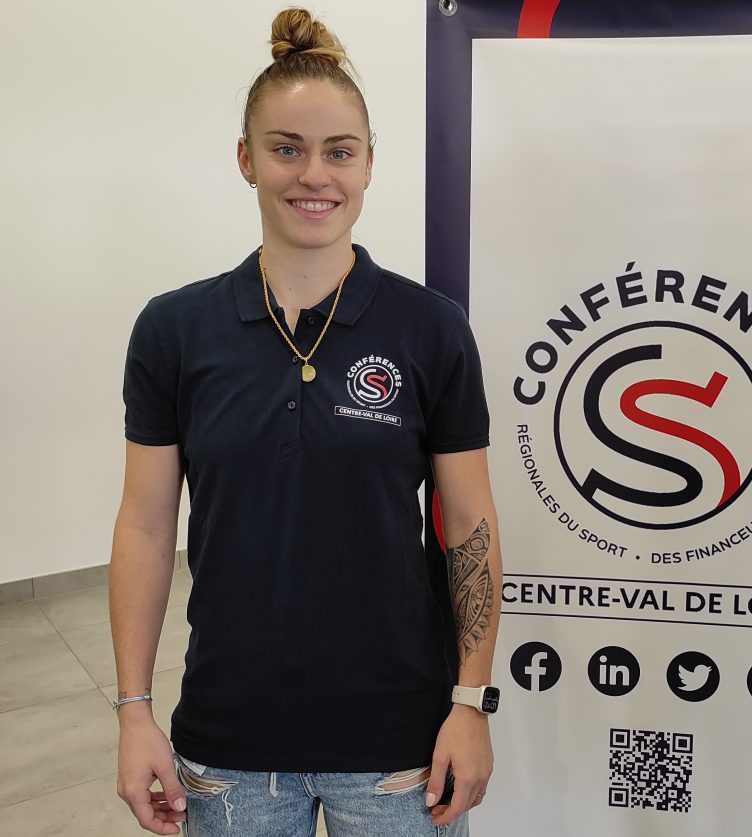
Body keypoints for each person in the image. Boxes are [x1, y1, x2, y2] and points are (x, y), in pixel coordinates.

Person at [109, 9, 502, 836]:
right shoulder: (174, 330)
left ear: (367, 166)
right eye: (285, 147)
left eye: (339, 151)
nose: (312, 174)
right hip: (230, 747)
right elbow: (146, 526)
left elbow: (467, 520)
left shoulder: (431, 329)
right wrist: (134, 710)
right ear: (247, 159)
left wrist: (469, 701)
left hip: (400, 744)